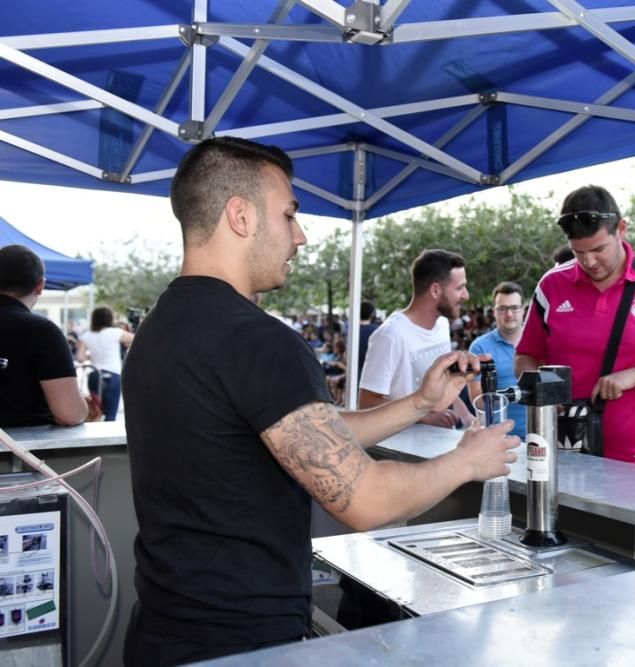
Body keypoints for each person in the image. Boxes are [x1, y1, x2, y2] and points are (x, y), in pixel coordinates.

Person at [121, 137, 517, 665]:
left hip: (164, 630)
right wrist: (468, 460)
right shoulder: (256, 340)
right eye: (289, 215)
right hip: (241, 642)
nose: (300, 236)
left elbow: (301, 436)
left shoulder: (160, 327)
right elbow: (367, 499)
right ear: (240, 216)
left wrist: (419, 402)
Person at [516, 185, 635, 468]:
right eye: (578, 252)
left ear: (621, 229)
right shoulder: (550, 286)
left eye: (599, 249)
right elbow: (525, 356)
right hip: (564, 452)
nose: (589, 261)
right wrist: (544, 396)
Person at [358, 249, 475, 428]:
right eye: (459, 288)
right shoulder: (390, 335)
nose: (466, 295)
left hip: (436, 444)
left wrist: (469, 419)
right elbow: (366, 403)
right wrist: (421, 416)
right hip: (400, 449)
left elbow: (444, 388)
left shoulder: (442, 324)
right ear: (435, 290)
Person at [0, 244, 86, 427]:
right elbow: (69, 414)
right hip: (22, 451)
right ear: (40, 286)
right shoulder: (42, 331)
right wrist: (83, 405)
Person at [469, 282, 528, 439]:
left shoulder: (538, 342)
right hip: (499, 438)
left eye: (514, 308)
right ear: (494, 312)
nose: (509, 314)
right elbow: (478, 400)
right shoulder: (480, 348)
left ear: (523, 309)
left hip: (541, 433)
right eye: (502, 309)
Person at [76, 306, 134, 421]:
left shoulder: (86, 336)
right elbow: (137, 339)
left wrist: (92, 355)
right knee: (111, 414)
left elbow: (80, 357)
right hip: (112, 375)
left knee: (96, 410)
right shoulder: (115, 333)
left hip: (94, 374)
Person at [355, 300, 379, 381]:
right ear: (372, 314)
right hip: (372, 371)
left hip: (355, 370)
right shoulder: (377, 330)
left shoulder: (352, 330)